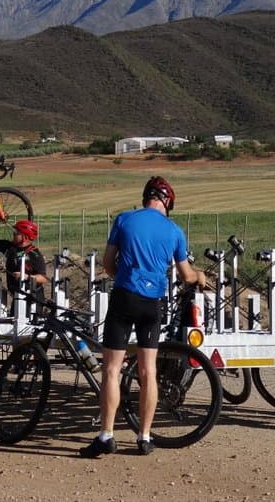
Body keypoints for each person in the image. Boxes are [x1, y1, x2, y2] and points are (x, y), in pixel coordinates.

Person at [79, 176, 204, 458]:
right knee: (149, 372)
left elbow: (108, 263)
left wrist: (123, 278)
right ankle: (144, 437)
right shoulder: (174, 230)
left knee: (111, 370)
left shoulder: (124, 219)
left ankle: (106, 436)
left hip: (124, 297)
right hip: (152, 304)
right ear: (167, 201)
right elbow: (186, 275)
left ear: (146, 197)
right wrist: (200, 275)